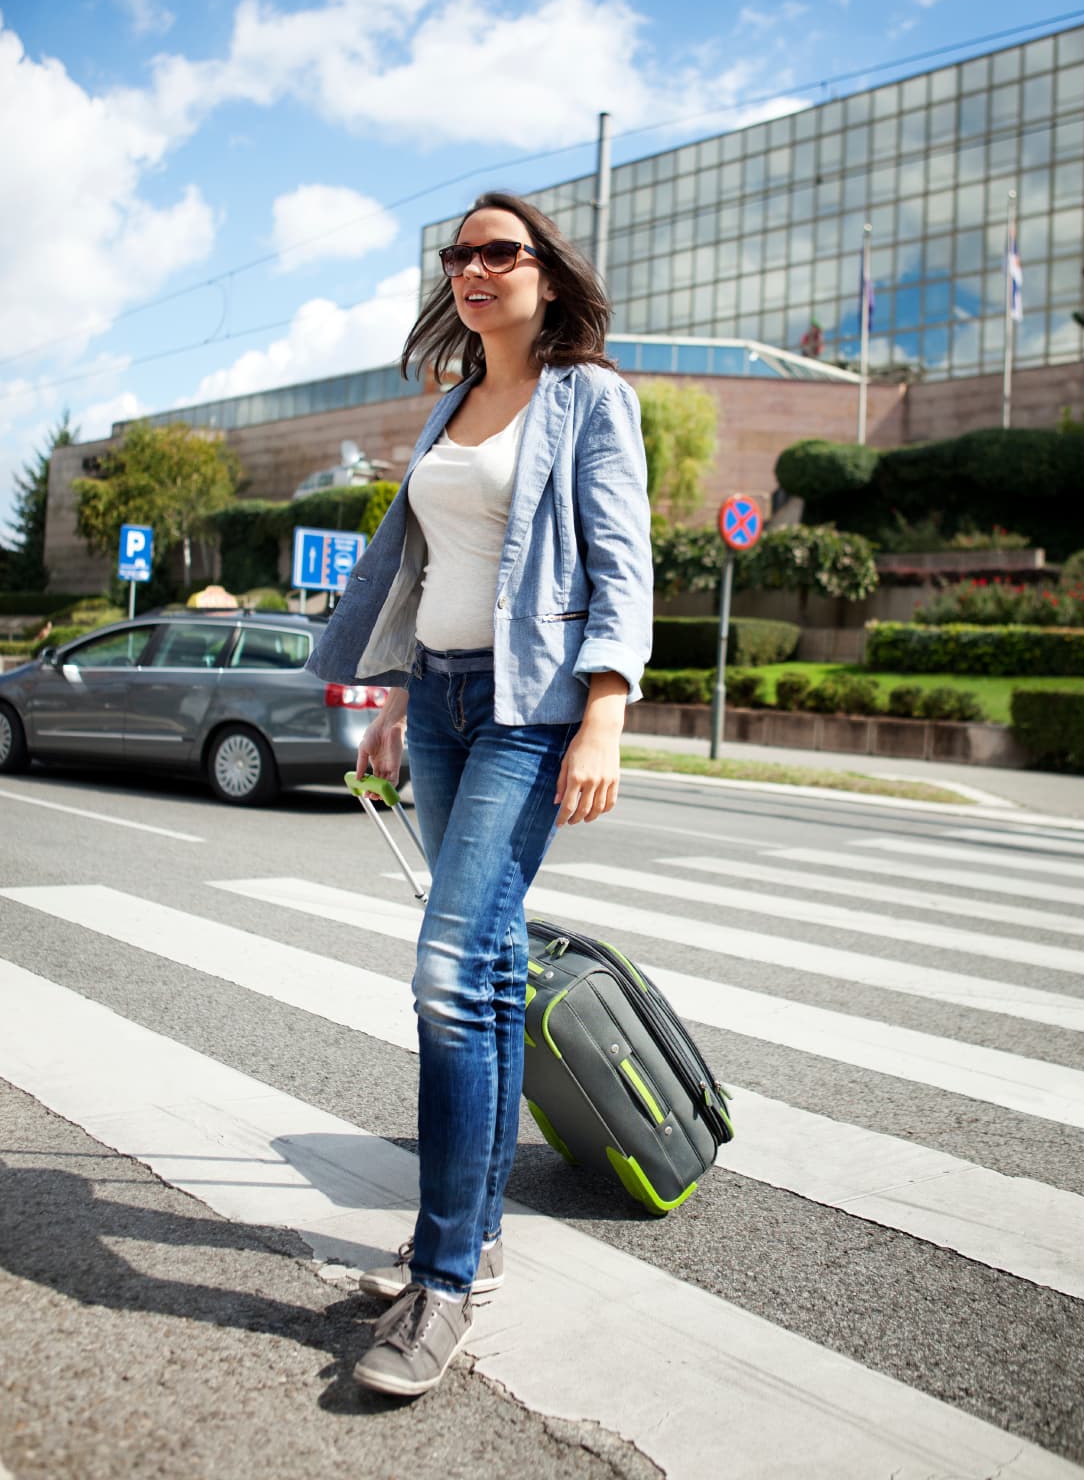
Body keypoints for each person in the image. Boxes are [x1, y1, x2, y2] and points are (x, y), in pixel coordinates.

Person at [306, 190, 653, 1397]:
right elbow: (435, 567)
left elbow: (622, 556)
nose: (473, 268)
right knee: (490, 971)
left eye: (498, 251)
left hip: (529, 711)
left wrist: (604, 709)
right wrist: (398, 698)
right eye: (458, 253)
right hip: (446, 700)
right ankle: (478, 1235)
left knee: (448, 971)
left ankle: (442, 1278)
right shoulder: (453, 401)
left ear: (545, 274)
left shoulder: (589, 396)